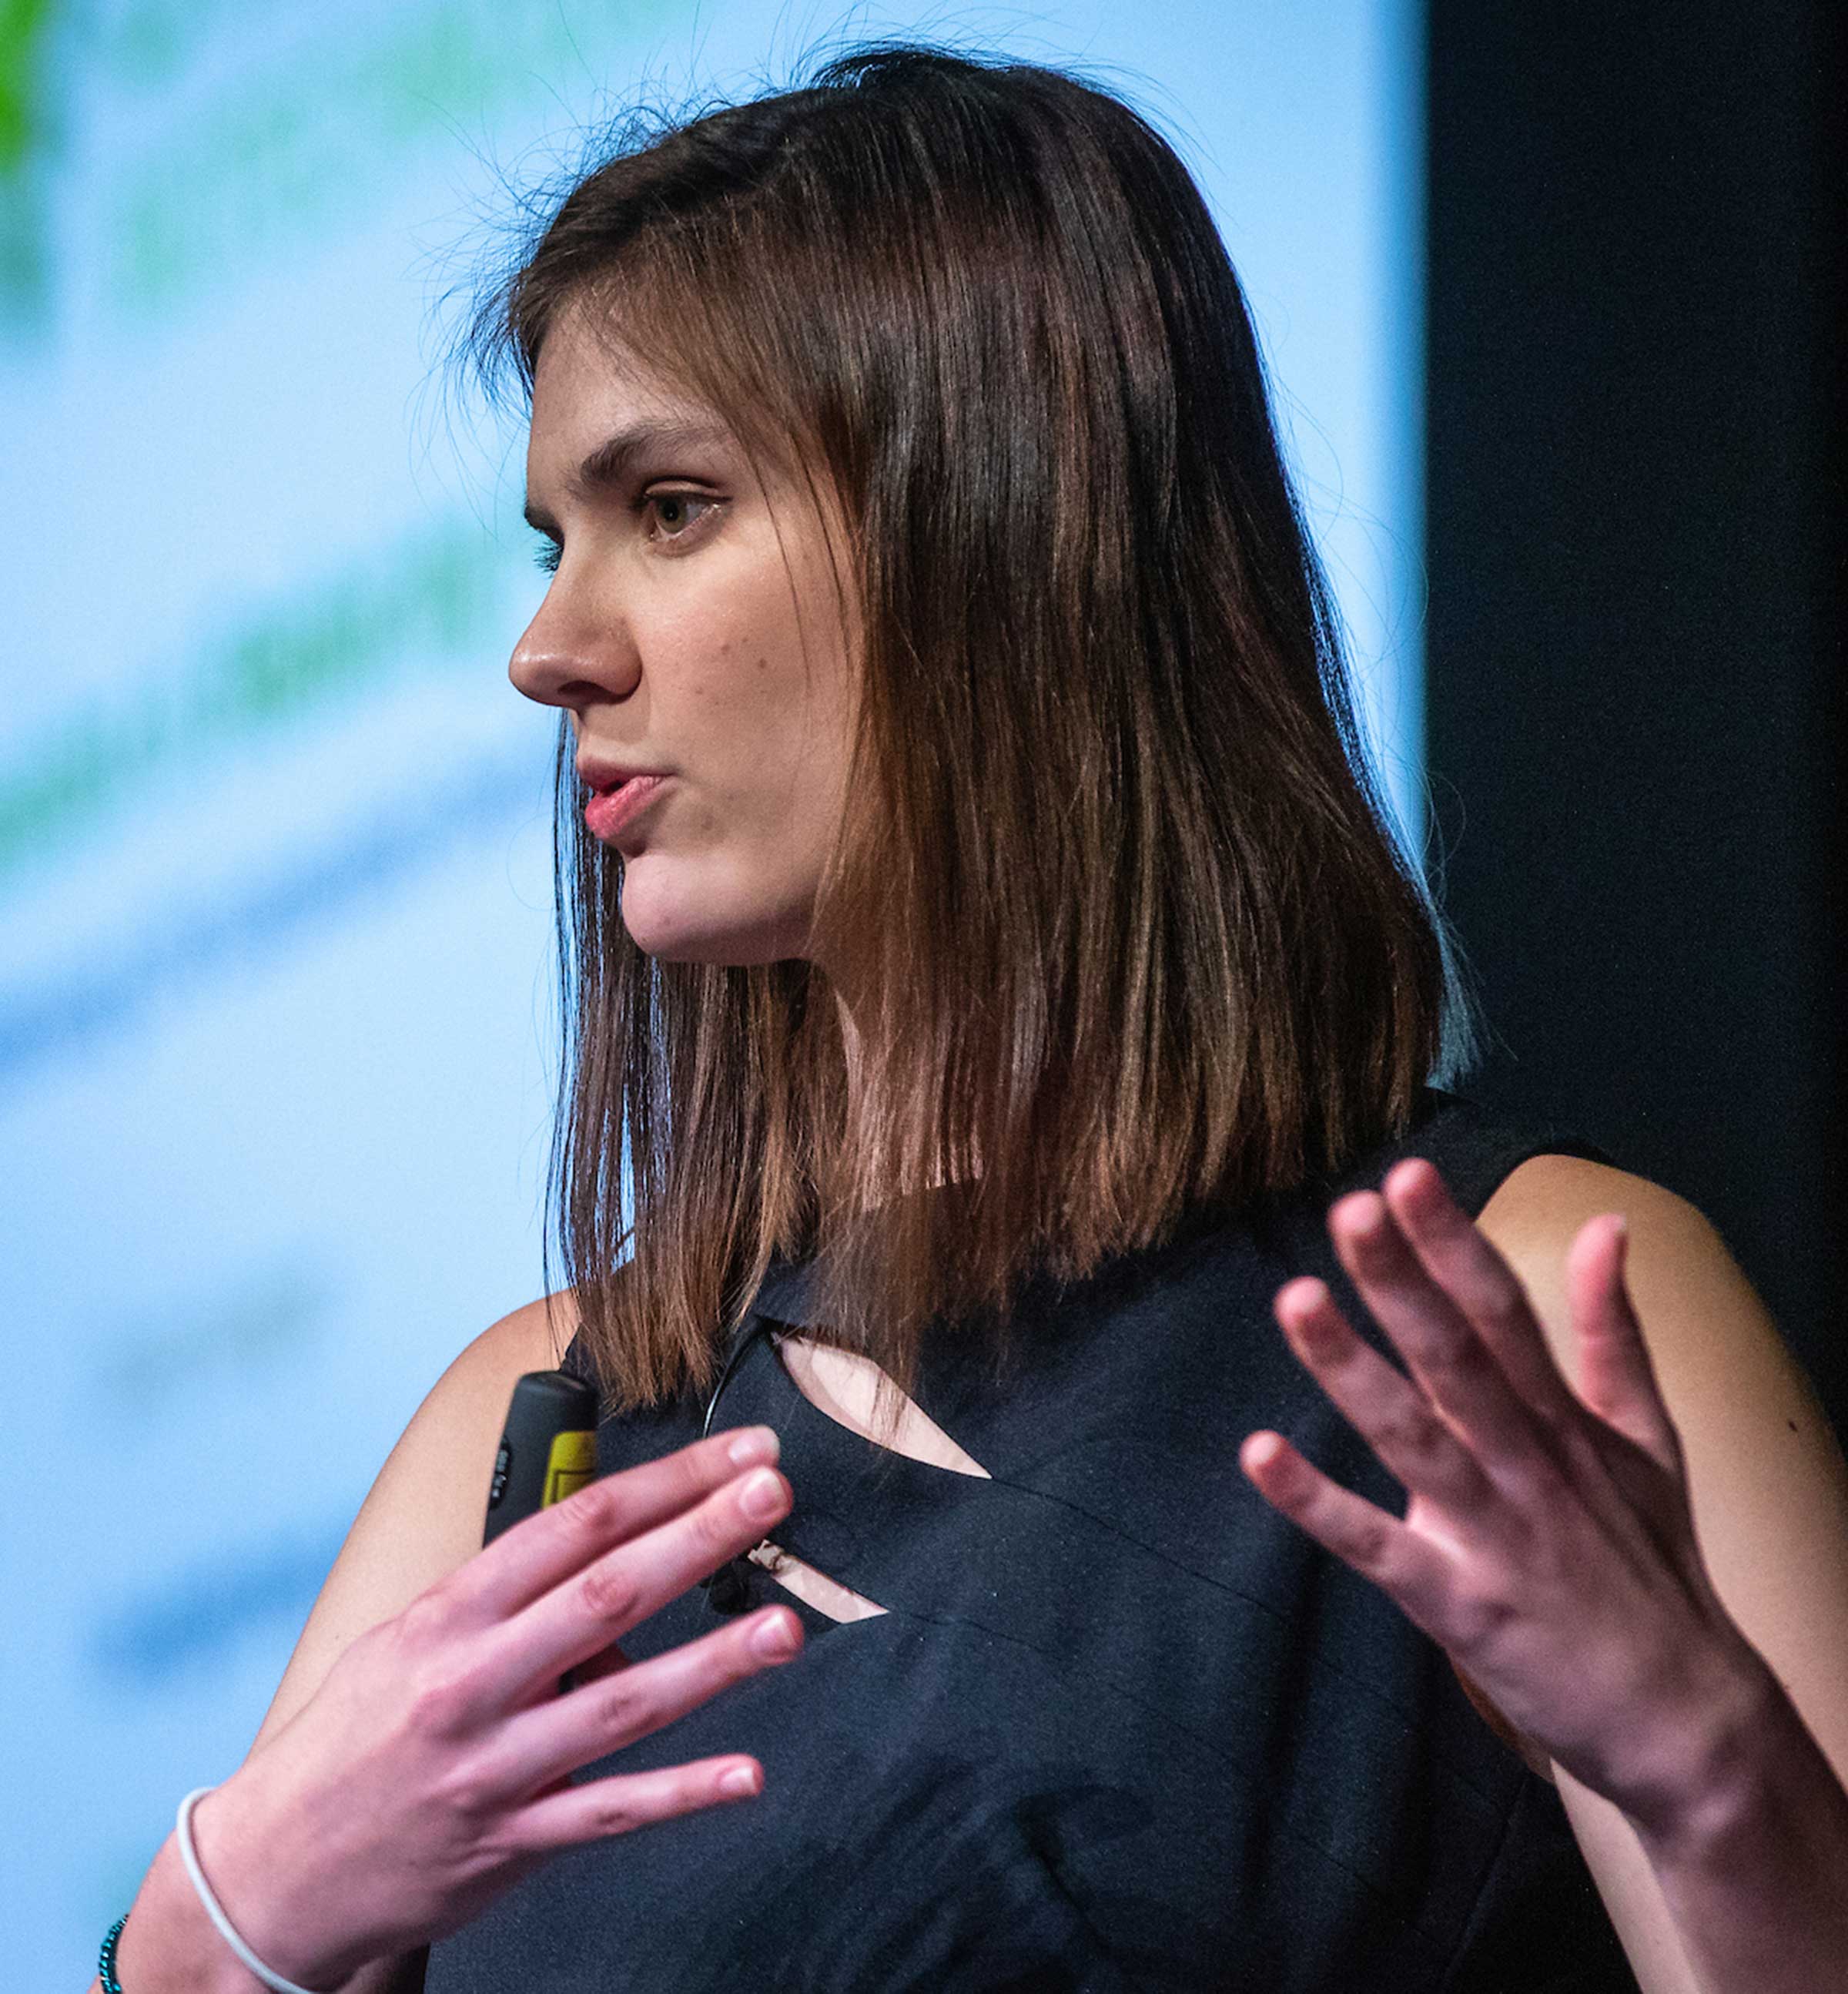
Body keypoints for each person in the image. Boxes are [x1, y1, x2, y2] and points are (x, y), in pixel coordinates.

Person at [96, 43, 1848, 1994]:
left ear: (1003, 537)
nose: (549, 651)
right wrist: (213, 1927)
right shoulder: (536, 1424)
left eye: (669, 507)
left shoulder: (1519, 1304)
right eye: (553, 543)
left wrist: (1712, 1780)